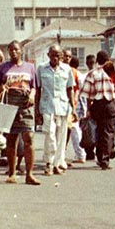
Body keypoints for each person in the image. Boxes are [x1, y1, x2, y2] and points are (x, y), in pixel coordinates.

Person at [0, 40, 40, 185]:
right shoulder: (2, 68)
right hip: (10, 104)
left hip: (25, 105)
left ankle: (30, 174)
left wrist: (32, 95)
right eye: (11, 50)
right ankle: (12, 172)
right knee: (11, 140)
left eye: (16, 50)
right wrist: (3, 87)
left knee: (29, 138)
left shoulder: (30, 67)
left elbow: (34, 86)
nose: (13, 52)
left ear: (21, 51)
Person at [36, 44, 76, 175]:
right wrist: (36, 110)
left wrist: (73, 108)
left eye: (58, 55)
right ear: (48, 55)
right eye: (53, 55)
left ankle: (57, 163)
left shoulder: (67, 69)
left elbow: (70, 89)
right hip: (47, 106)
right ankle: (49, 162)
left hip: (63, 106)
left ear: (62, 56)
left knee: (61, 136)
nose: (55, 58)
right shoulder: (41, 68)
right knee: (50, 134)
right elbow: (38, 90)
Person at [80, 49, 115, 169]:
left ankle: (101, 156)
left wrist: (88, 109)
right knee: (108, 131)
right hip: (110, 104)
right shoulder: (113, 73)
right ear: (108, 60)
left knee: (98, 131)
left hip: (97, 104)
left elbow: (87, 94)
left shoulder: (92, 73)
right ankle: (106, 157)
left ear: (97, 61)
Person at [65, 55, 88, 165]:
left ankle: (80, 154)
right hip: (71, 104)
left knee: (73, 129)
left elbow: (81, 91)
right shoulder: (77, 73)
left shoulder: (73, 73)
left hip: (73, 104)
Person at [80, 54, 97, 162]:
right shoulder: (84, 76)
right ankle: (89, 152)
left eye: (93, 63)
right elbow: (83, 94)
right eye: (89, 63)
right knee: (87, 130)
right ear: (86, 64)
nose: (91, 65)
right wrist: (85, 108)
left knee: (98, 129)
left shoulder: (100, 74)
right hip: (88, 105)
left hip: (99, 105)